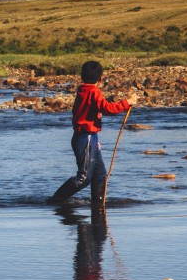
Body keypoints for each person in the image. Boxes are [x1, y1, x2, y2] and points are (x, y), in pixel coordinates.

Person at [47, 60, 137, 217]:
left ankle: (98, 206)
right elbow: (107, 108)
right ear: (100, 78)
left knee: (100, 174)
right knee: (84, 178)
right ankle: (55, 201)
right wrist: (127, 102)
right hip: (86, 138)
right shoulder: (93, 92)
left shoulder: (82, 90)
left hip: (89, 137)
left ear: (82, 76)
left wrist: (95, 139)